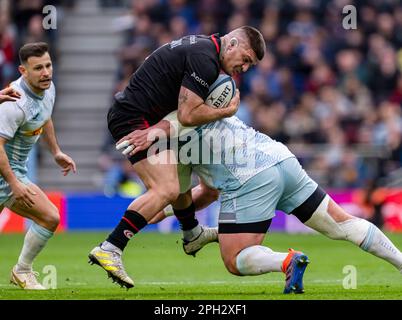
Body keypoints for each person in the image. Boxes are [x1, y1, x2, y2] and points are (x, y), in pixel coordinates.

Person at [147, 111, 402, 293]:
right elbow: (208, 192)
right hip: (281, 159)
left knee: (235, 258)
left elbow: (202, 193)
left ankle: (285, 261)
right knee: (342, 225)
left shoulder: (173, 132)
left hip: (251, 177)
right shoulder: (207, 106)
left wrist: (162, 209)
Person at [88, 26, 266, 288]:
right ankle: (111, 246)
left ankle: (192, 233)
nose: (245, 68)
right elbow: (186, 115)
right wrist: (225, 112)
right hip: (134, 119)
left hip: (144, 117)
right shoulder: (205, 59)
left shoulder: (204, 49)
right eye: (246, 59)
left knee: (181, 185)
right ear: (233, 44)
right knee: (167, 188)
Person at [0, 42, 77, 290]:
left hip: (14, 172)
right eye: (38, 68)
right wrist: (13, 183)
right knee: (50, 216)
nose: (46, 72)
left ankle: (22, 271)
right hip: (5, 174)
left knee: (49, 217)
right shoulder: (14, 103)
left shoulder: (48, 87)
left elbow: (46, 116)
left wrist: (55, 151)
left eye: (48, 65)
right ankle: (22, 271)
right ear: (23, 71)